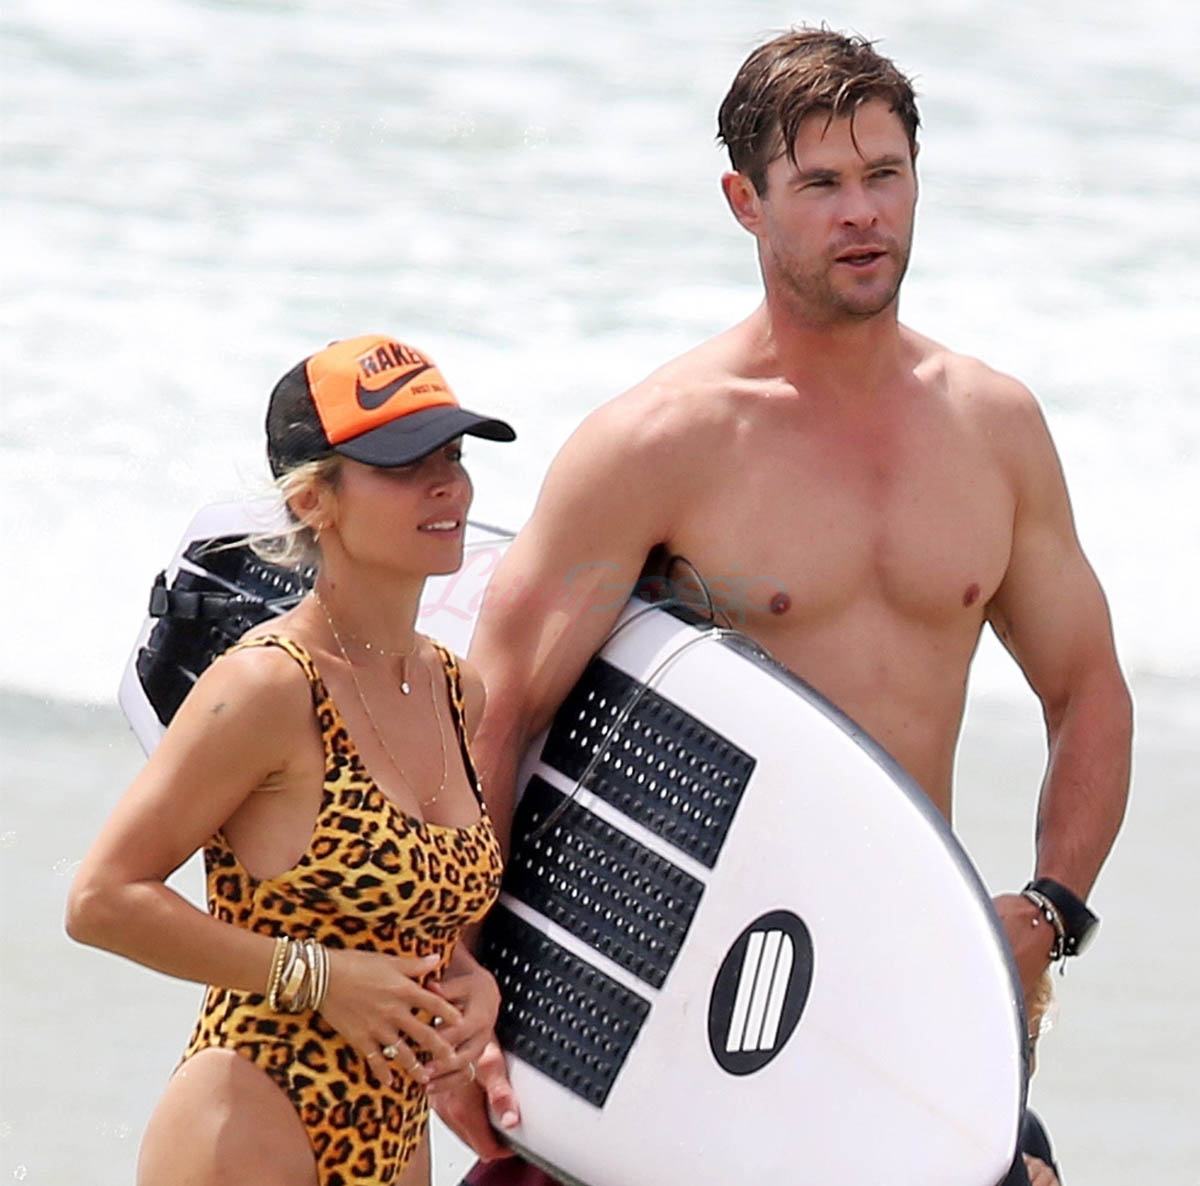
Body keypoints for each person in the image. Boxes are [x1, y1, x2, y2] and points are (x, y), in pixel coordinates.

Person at [437, 26, 1131, 1186]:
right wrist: (463, 971)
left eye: (884, 175)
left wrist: (1050, 909)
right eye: (820, 185)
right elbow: (495, 716)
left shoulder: (994, 429)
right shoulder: (660, 445)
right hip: (676, 998)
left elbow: (1087, 687)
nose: (863, 213)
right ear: (744, 202)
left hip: (902, 992)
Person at [66, 333, 516, 1186]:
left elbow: (401, 915)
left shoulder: (459, 690)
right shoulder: (268, 687)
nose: (447, 485)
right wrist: (316, 977)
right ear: (314, 500)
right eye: (404, 464)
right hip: (253, 1111)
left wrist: (472, 985)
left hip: (394, 1133)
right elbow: (101, 900)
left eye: (454, 457)